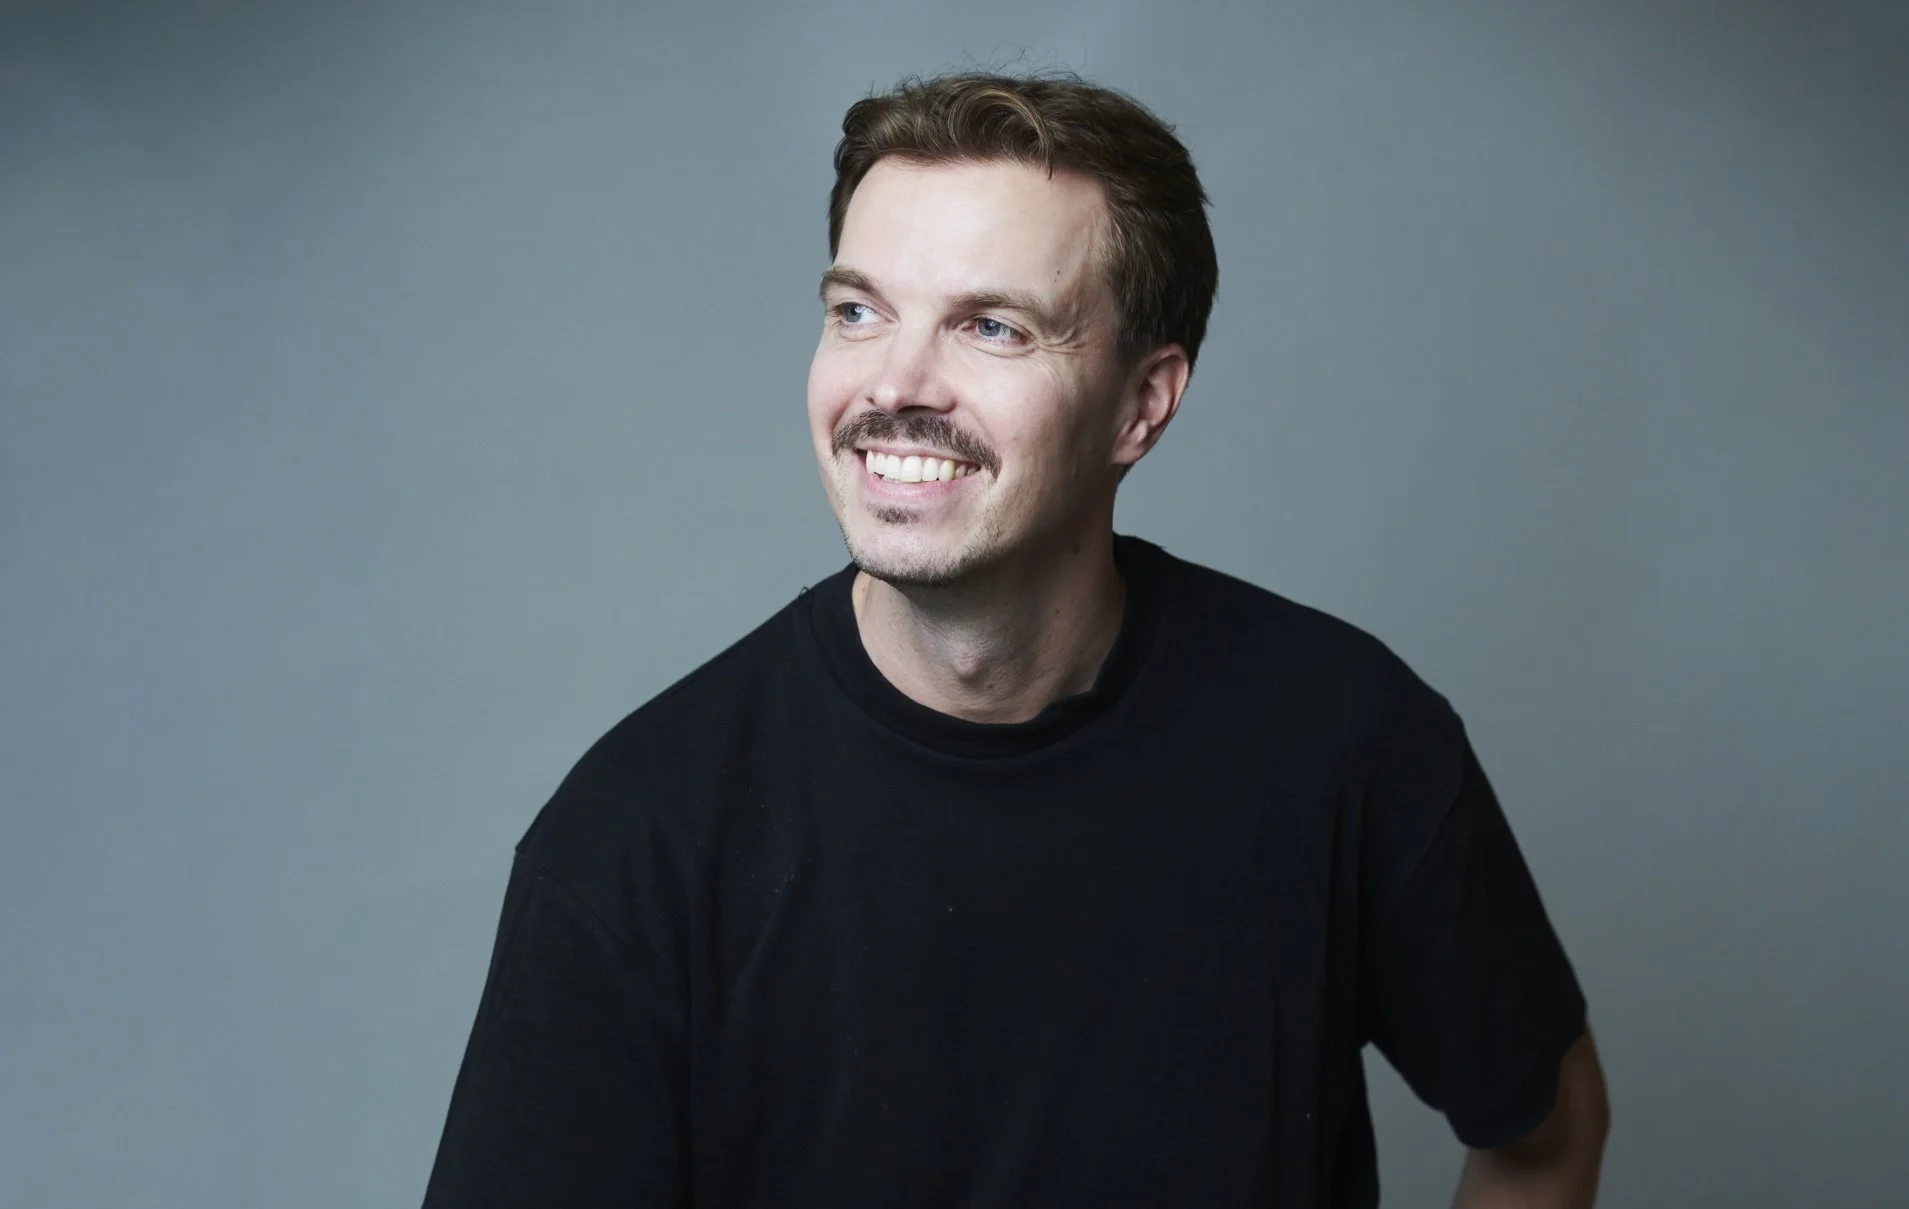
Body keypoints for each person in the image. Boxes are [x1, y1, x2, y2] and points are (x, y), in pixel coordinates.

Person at [421, 71, 1610, 1208]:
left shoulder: (1347, 739)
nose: (895, 381)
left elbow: (1547, 1136)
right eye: (856, 311)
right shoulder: (637, 837)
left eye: (990, 327)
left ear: (1141, 404)